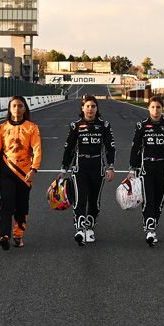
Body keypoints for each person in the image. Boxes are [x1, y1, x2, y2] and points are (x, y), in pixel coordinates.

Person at [61, 94, 116, 245]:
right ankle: (79, 229)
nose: (90, 109)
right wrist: (64, 168)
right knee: (80, 199)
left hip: (98, 168)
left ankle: (90, 228)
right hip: (80, 168)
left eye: (93, 106)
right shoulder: (75, 126)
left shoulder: (104, 126)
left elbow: (110, 148)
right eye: (87, 106)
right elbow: (68, 149)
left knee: (94, 201)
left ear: (97, 109)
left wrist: (110, 167)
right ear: (82, 108)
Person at [0, 96, 42, 250]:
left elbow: (37, 150)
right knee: (7, 204)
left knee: (22, 206)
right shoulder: (1, 128)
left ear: (25, 109)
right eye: (14, 106)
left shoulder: (32, 127)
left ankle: (18, 235)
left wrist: (34, 169)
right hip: (6, 171)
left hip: (25, 173)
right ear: (9, 108)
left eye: (20, 106)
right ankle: (4, 236)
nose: (17, 109)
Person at [129, 96, 164, 246]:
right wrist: (132, 169)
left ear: (162, 108)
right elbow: (135, 148)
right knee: (149, 199)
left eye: (158, 107)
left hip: (163, 169)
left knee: (159, 202)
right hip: (146, 169)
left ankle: (152, 225)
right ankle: (150, 230)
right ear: (148, 108)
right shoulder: (142, 126)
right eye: (153, 107)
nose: (155, 110)